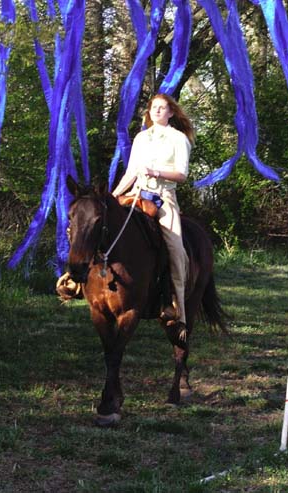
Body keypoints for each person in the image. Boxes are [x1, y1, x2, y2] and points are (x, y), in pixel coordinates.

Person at [112, 93, 194, 331]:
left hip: (163, 197)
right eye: (154, 107)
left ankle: (178, 307)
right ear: (149, 112)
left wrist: (156, 172)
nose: (157, 111)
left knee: (176, 249)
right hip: (136, 194)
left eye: (162, 108)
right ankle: (77, 280)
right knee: (103, 224)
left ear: (171, 112)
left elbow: (182, 174)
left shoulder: (179, 139)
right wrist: (113, 195)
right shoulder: (140, 138)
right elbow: (131, 172)